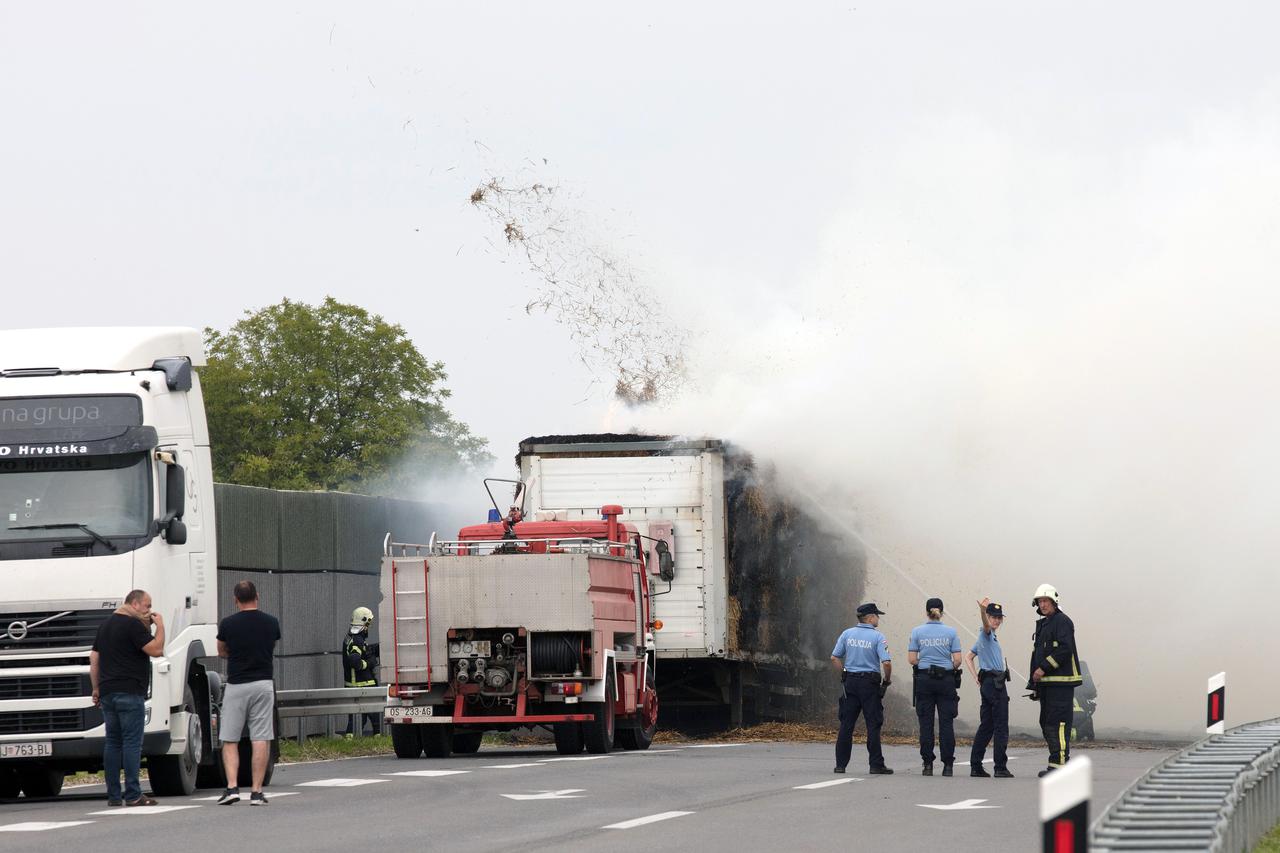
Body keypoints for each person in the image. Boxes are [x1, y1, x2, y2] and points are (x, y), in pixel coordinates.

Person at [89, 590, 165, 807]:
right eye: (147, 606)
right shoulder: (132, 625)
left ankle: (113, 795)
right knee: (132, 743)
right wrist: (160, 626)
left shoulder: (105, 626)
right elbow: (156, 650)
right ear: (134, 603)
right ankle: (133, 794)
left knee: (112, 742)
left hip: (108, 692)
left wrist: (96, 688)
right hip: (130, 691)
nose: (149, 611)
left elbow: (94, 658)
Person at [216, 580, 281, 806]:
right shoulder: (271, 623)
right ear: (257, 596)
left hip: (236, 685)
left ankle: (232, 787)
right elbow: (271, 645)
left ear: (235, 600)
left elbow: (221, 650)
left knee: (230, 738)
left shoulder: (228, 624)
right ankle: (256, 791)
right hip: (263, 683)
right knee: (261, 737)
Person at [830, 602, 894, 775]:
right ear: (870, 617)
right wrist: (886, 681)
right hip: (869, 684)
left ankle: (840, 765)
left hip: (850, 682)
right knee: (873, 724)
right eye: (877, 616)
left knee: (846, 724)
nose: (878, 619)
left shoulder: (847, 634)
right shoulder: (878, 637)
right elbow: (886, 663)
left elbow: (834, 658)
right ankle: (875, 764)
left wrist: (843, 674)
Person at [1026, 583, 1082, 777]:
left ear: (1054, 601)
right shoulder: (1045, 624)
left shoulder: (1062, 621)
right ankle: (1057, 762)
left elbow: (1065, 649)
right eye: (1040, 602)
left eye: (1045, 601)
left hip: (1061, 683)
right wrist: (1035, 684)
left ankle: (1059, 765)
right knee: (1047, 722)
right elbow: (1038, 655)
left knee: (1058, 723)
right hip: (1048, 684)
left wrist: (1043, 668)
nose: (1042, 605)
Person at [908, 597, 962, 776]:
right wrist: (945, 667)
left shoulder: (917, 631)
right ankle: (948, 765)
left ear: (926, 612)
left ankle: (927, 764)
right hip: (946, 681)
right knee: (946, 724)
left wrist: (925, 663)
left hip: (924, 680)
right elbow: (958, 660)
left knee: (926, 723)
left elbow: (912, 659)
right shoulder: (951, 632)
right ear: (942, 612)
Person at [963, 598, 1013, 778]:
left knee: (987, 726)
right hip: (995, 684)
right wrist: (982, 611)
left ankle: (975, 765)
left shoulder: (987, 638)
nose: (997, 620)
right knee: (1000, 726)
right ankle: (1000, 767)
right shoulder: (986, 633)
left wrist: (976, 676)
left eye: (1000, 618)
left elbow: (968, 657)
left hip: (988, 683)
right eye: (994, 617)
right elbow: (985, 625)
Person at [341, 606, 380, 737]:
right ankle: (378, 739)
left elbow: (360, 651)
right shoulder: (357, 639)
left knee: (356, 719)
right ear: (364, 623)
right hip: (363, 685)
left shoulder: (351, 637)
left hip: (356, 685)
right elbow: (355, 661)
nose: (369, 627)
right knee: (375, 718)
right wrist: (370, 663)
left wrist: (372, 649)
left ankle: (349, 741)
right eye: (368, 623)